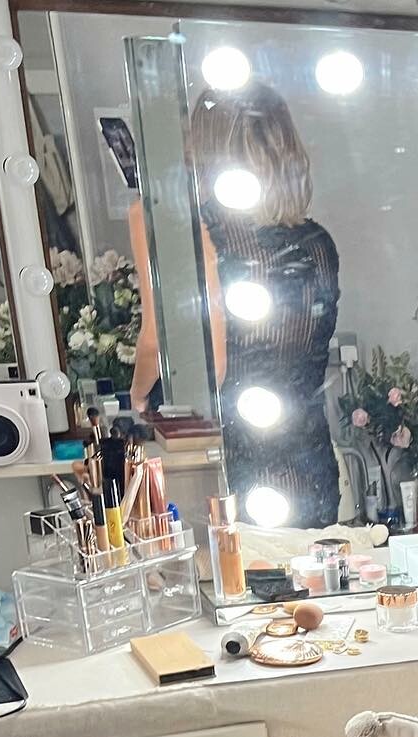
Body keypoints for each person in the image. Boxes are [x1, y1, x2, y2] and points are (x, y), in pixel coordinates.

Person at [129, 82, 341, 528]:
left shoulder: (195, 230)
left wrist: (138, 397)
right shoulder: (319, 242)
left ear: (201, 144)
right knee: (316, 571)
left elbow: (170, 348)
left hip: (245, 463)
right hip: (314, 462)